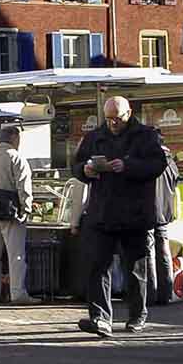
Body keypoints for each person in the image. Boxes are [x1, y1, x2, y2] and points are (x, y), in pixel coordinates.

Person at [73, 96, 169, 338]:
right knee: (97, 267)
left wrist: (128, 166)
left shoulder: (146, 135)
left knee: (135, 268)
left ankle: (137, 315)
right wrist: (85, 170)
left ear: (129, 113)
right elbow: (76, 165)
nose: (113, 123)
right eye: (108, 119)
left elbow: (158, 164)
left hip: (134, 213)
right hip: (102, 212)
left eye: (117, 118)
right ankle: (100, 318)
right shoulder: (95, 136)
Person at [0, 126, 36, 304]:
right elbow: (23, 187)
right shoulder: (17, 158)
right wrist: (26, 209)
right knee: (16, 255)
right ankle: (18, 293)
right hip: (11, 212)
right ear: (14, 138)